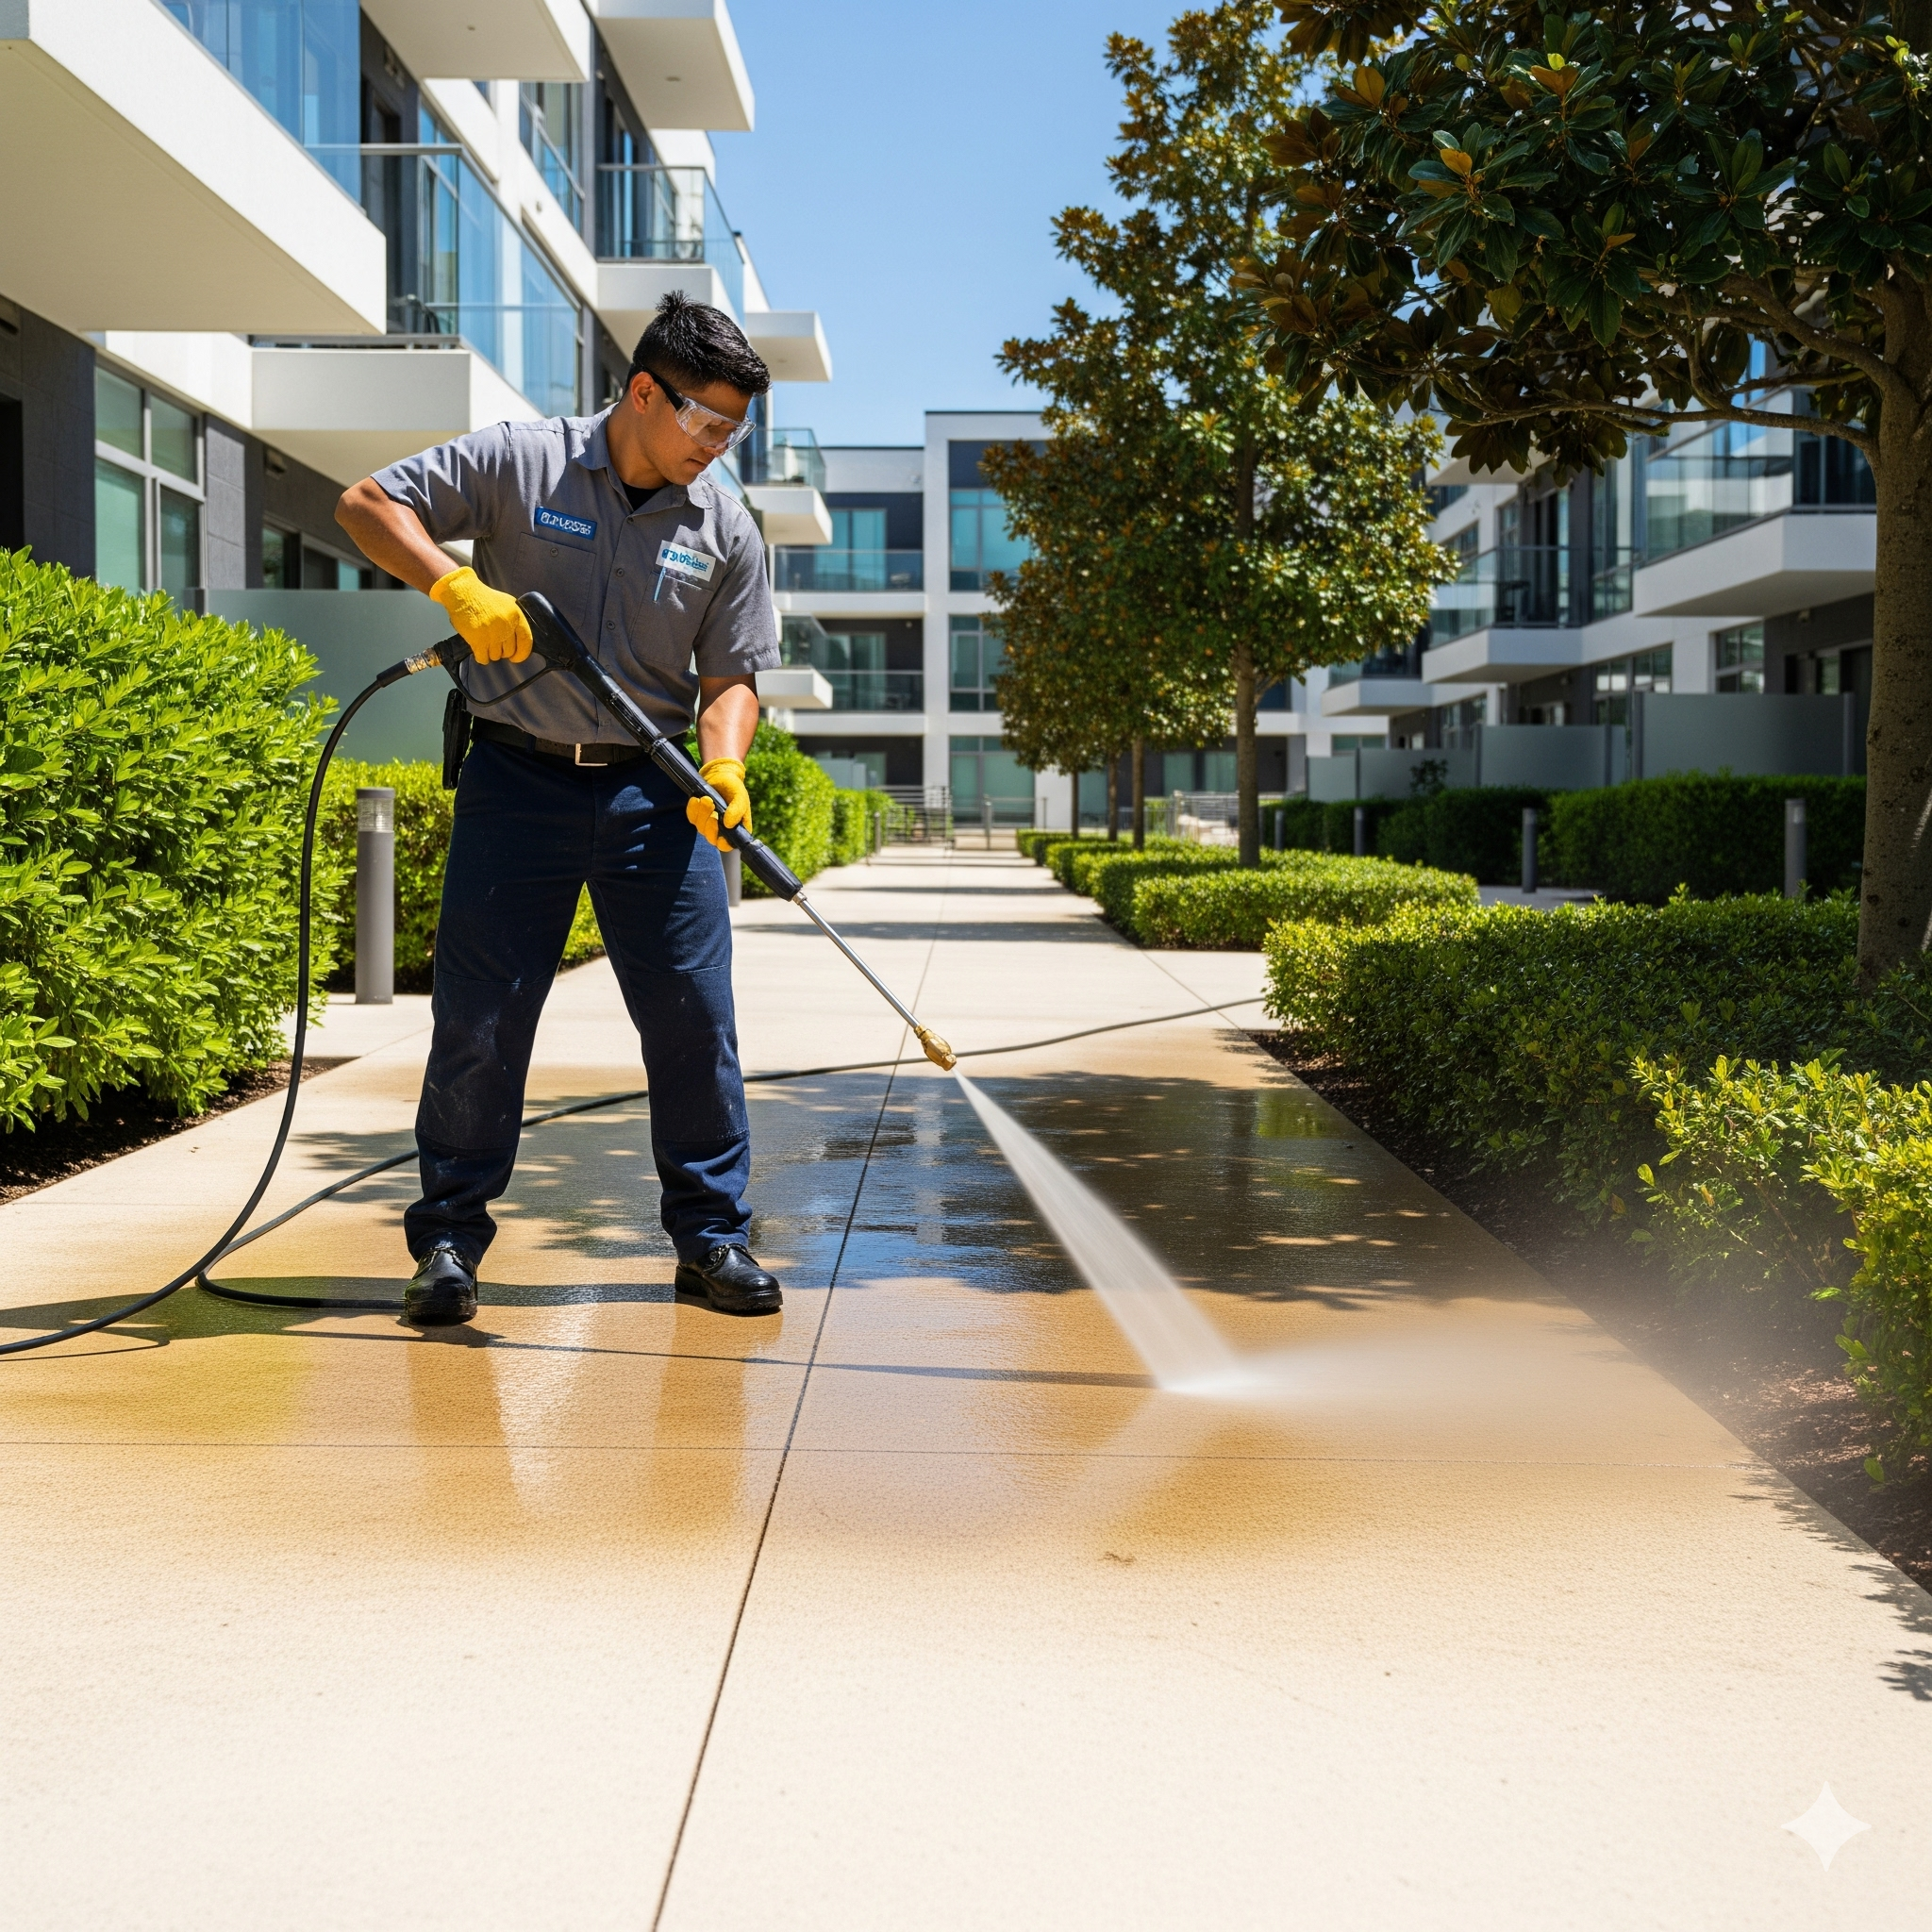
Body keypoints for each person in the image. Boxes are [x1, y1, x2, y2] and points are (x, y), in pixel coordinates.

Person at [334, 292, 784, 1326]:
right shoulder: (518, 462)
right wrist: (454, 584)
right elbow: (365, 503)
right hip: (515, 779)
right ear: (641, 392)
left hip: (652, 793)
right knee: (480, 1023)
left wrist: (724, 768)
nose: (716, 448)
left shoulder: (723, 525)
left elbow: (731, 675)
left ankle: (711, 1236)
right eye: (705, 423)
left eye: (733, 432)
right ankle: (447, 1239)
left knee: (692, 1020)